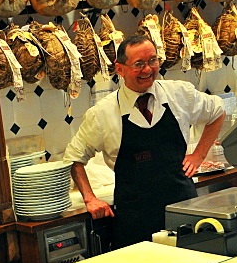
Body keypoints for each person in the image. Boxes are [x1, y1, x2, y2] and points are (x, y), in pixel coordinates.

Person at [63, 35, 226, 248]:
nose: (148, 70)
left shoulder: (179, 93)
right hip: (135, 220)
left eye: (152, 61)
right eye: (138, 64)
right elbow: (74, 158)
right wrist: (90, 198)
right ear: (120, 69)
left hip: (183, 210)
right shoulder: (102, 113)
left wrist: (199, 155)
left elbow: (218, 111)